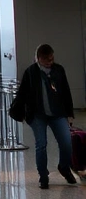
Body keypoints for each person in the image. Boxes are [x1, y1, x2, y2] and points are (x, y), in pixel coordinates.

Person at [10, 44, 77, 189]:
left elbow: (65, 91)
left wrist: (69, 114)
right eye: (46, 60)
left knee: (66, 143)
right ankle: (43, 175)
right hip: (38, 114)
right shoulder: (31, 72)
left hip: (57, 113)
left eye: (52, 59)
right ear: (38, 59)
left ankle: (64, 167)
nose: (50, 62)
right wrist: (19, 113)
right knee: (41, 144)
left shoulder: (58, 70)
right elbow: (22, 94)